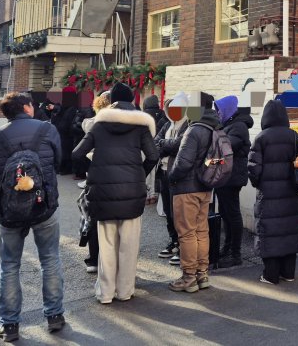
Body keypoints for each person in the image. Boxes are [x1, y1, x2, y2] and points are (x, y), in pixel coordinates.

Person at [0, 92, 65, 341]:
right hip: (44, 206)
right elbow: (58, 163)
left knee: (10, 265)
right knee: (50, 259)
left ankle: (9, 325)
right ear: (27, 107)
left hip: (11, 210)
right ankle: (54, 316)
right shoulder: (47, 129)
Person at [72, 81, 158, 304]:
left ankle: (106, 293)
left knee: (107, 245)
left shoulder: (99, 125)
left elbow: (76, 154)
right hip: (133, 191)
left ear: (112, 101)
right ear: (131, 100)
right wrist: (139, 173)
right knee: (129, 246)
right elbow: (153, 156)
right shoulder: (140, 126)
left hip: (102, 193)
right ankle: (125, 291)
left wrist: (95, 171)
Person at [248, 99, 298, 284]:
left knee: (270, 232)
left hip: (269, 195)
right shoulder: (295, 137)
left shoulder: (261, 138)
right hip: (290, 195)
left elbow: (254, 170)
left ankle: (271, 275)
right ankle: (288, 273)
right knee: (289, 231)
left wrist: (259, 183)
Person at [167, 93, 219, 292]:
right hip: (205, 187)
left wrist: (172, 177)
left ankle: (188, 277)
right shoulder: (214, 128)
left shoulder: (194, 130)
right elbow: (213, 160)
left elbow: (183, 163)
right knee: (201, 231)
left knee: (187, 233)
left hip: (186, 188)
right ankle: (202, 274)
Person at [213, 95, 253, 268]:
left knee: (232, 215)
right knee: (226, 214)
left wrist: (210, 159)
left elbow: (226, 150)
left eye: (219, 109)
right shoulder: (229, 125)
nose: (217, 112)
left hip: (232, 177)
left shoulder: (238, 126)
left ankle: (235, 254)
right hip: (226, 177)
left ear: (228, 110)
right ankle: (227, 248)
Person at [155, 93, 190, 265]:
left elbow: (179, 145)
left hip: (176, 173)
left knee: (179, 213)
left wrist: (164, 144)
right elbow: (155, 142)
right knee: (169, 212)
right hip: (163, 172)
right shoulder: (168, 125)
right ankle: (173, 241)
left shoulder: (188, 125)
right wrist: (165, 144)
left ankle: (182, 246)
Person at [79, 91, 112, 274]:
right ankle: (106, 260)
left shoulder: (91, 124)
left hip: (94, 176)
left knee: (93, 217)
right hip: (116, 176)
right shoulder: (123, 124)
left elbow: (78, 153)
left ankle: (93, 258)